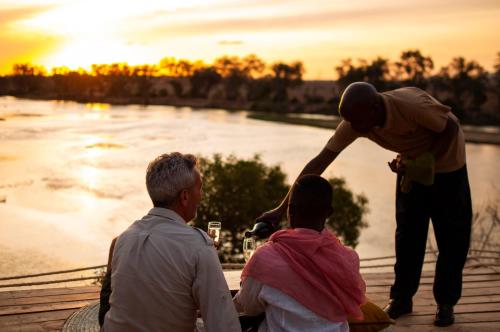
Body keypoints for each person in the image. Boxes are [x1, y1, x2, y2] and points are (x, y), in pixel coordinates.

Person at [256, 82, 472, 327]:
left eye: (357, 121)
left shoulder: (411, 106)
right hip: (411, 167)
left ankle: (446, 303)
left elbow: (451, 128)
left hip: (449, 168)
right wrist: (280, 209)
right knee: (408, 235)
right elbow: (319, 163)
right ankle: (402, 298)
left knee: (451, 238)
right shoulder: (355, 121)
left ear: (374, 107)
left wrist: (425, 163)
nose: (355, 128)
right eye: (350, 122)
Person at [102, 152, 241, 332]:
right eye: (200, 189)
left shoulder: (125, 237)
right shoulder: (198, 246)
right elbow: (224, 325)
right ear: (184, 197)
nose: (201, 195)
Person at [234, 174, 366, 331]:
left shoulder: (265, 257)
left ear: (290, 211)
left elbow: (247, 307)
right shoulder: (348, 259)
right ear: (329, 213)